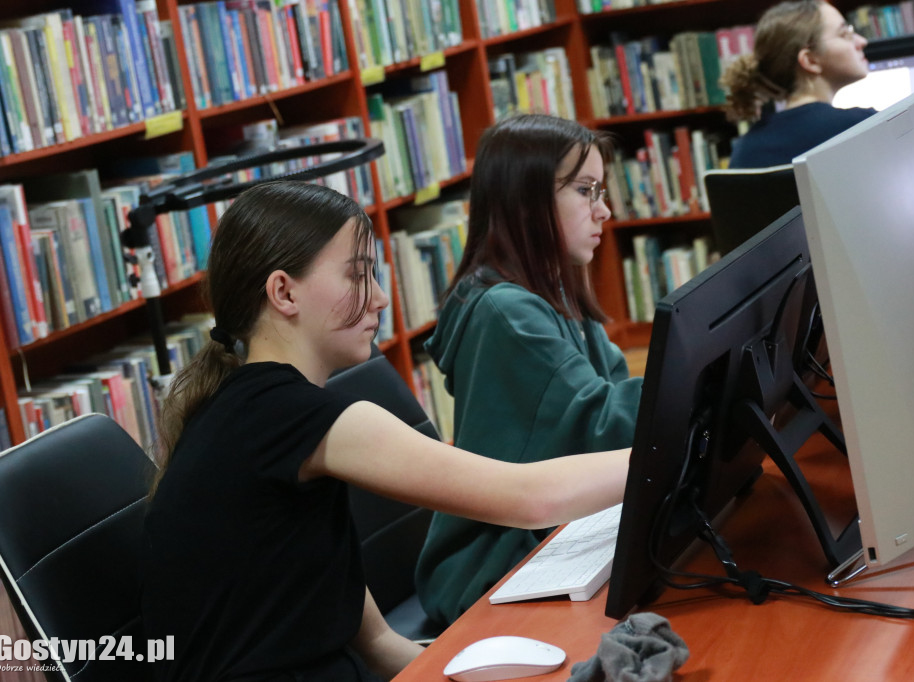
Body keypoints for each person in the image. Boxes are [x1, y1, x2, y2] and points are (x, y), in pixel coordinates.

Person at [140, 181, 630, 682]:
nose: (378, 298)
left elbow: (375, 643)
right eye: (357, 276)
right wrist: (668, 449)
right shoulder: (291, 416)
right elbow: (530, 497)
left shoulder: (250, 410)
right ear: (284, 292)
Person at [414, 114, 644, 627]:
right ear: (528, 201)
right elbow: (601, 425)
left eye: (601, 190)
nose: (604, 209)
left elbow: (614, 389)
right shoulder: (505, 314)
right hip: (490, 564)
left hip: (552, 533)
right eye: (586, 190)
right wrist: (697, 377)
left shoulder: (554, 289)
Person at [722, 0, 875, 168]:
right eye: (845, 34)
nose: (861, 41)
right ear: (810, 60)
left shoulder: (744, 151)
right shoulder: (864, 127)